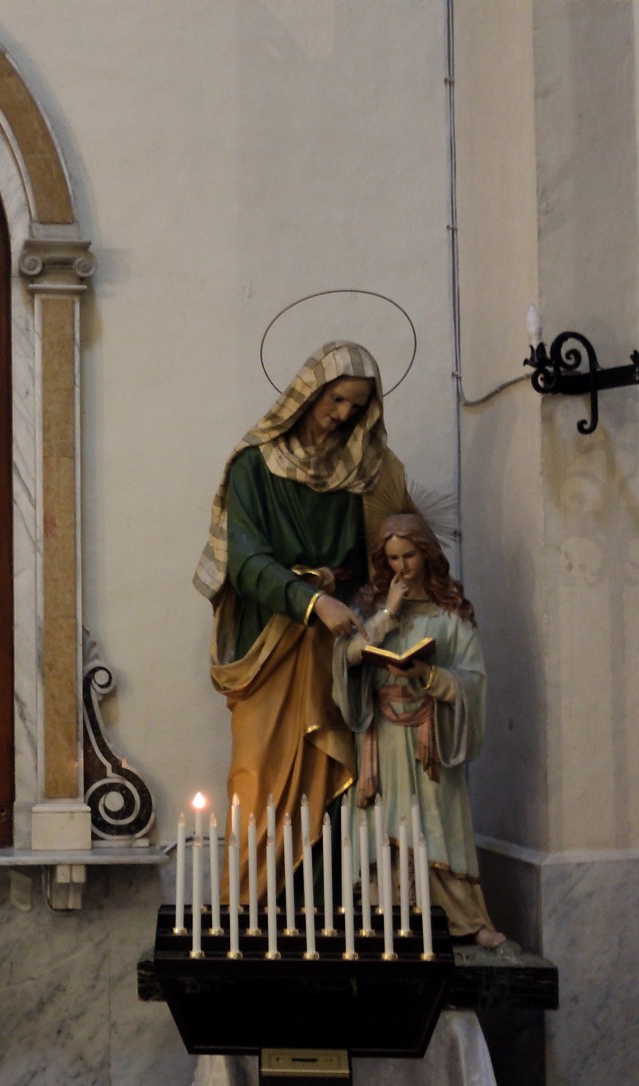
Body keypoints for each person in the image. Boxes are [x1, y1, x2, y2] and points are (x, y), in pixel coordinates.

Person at [195, 340, 415, 898]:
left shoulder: (365, 471)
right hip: (271, 642)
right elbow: (244, 561)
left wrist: (377, 595)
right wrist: (313, 602)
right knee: (256, 773)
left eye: (357, 407)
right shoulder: (255, 465)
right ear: (307, 392)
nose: (343, 414)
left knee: (332, 771)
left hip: (336, 648)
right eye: (336, 399)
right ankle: (249, 908)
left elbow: (382, 554)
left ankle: (319, 905)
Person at [334, 513, 503, 948]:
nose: (401, 567)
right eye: (392, 558)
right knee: (384, 818)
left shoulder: (451, 611)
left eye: (408, 556)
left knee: (436, 821)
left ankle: (465, 919)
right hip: (381, 736)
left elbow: (473, 680)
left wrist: (428, 675)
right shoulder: (370, 605)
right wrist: (388, 612)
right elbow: (346, 657)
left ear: (426, 554)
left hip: (431, 737)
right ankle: (382, 914)